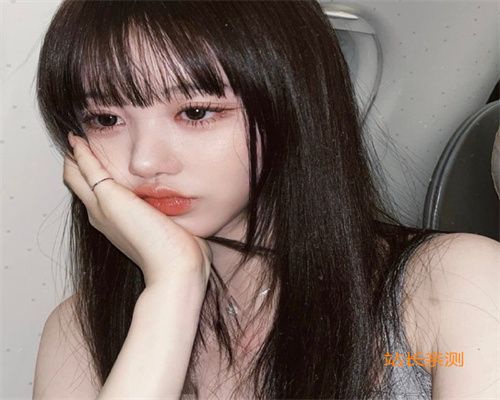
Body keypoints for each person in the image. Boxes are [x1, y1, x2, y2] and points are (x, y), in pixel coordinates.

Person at [32, 1, 499, 399]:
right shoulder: (78, 332)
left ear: (292, 107)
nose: (145, 161)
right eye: (105, 120)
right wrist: (172, 289)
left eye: (196, 112)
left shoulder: (458, 283)